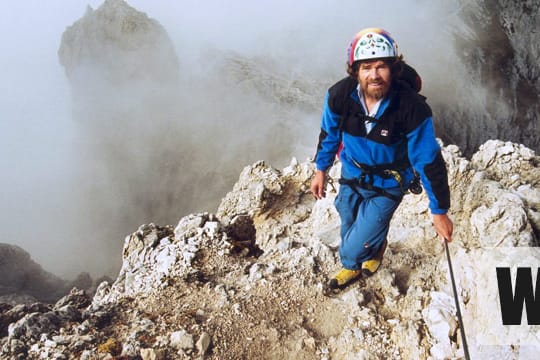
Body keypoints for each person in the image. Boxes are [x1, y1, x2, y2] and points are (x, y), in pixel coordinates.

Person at [310, 28, 453, 290]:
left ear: (394, 69)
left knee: (353, 244)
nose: (374, 75)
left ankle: (350, 266)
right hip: (352, 174)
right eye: (366, 67)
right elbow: (329, 133)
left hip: (389, 183)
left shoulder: (410, 107)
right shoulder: (340, 96)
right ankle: (376, 249)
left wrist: (439, 211)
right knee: (347, 219)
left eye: (381, 67)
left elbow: (428, 160)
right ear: (355, 71)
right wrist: (321, 169)